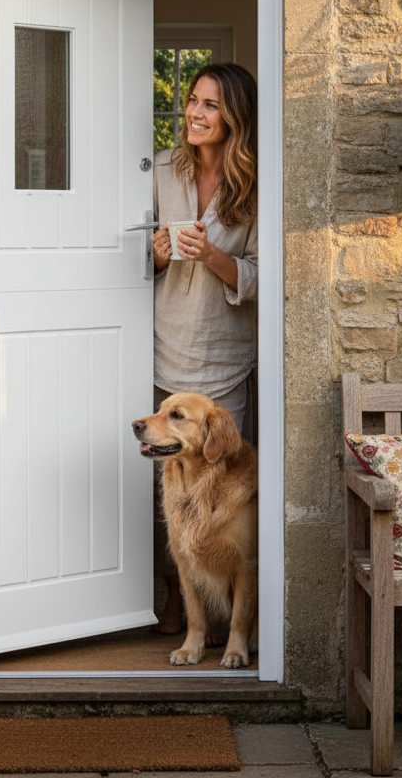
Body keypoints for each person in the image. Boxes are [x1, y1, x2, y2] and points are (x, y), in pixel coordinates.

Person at [149, 62, 258, 635]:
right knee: (168, 488)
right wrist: (161, 253)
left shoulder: (258, 181)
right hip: (165, 342)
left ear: (234, 116)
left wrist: (214, 255)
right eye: (193, 100)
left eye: (211, 105)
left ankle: (231, 614)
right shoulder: (165, 168)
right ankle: (177, 591)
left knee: (219, 488)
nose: (194, 112)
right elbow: (133, 253)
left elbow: (265, 277)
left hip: (224, 355)